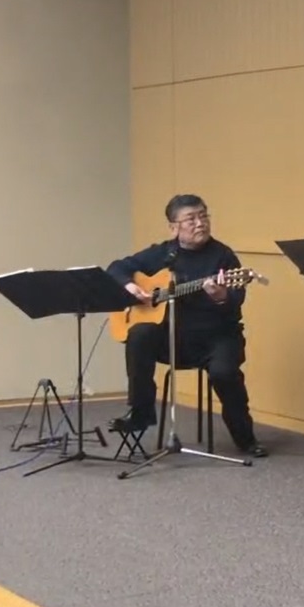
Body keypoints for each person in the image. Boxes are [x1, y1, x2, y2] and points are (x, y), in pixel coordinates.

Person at [106, 195, 267, 458]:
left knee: (224, 373)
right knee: (139, 334)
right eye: (191, 219)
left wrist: (220, 296)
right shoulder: (164, 253)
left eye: (203, 216)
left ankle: (245, 438)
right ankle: (140, 412)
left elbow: (235, 300)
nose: (200, 223)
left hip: (216, 337)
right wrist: (130, 286)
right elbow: (117, 267)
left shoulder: (223, 256)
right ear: (174, 227)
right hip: (174, 338)